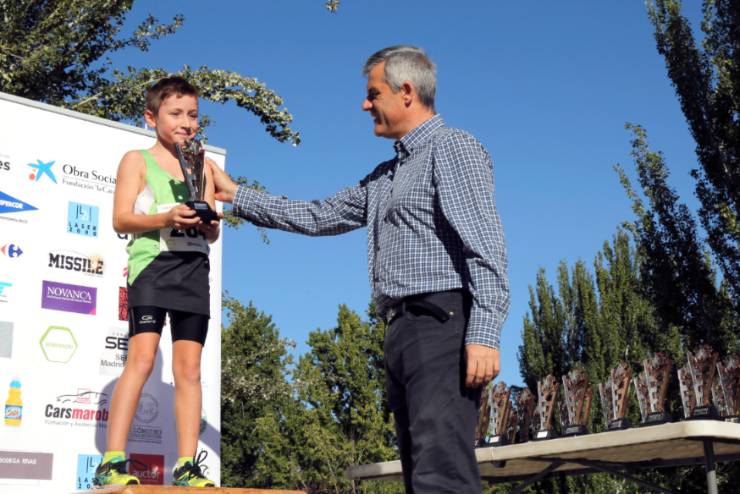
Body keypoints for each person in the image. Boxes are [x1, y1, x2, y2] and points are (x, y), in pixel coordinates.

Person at [210, 46, 509, 493]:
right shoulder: (384, 176)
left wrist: (485, 332)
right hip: (401, 330)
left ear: (406, 91)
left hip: (441, 323)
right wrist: (236, 195)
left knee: (441, 471)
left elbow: (485, 245)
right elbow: (319, 215)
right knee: (419, 471)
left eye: (373, 94)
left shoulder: (452, 148)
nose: (364, 105)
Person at [94, 76, 219, 488]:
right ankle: (112, 461)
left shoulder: (203, 165)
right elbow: (121, 219)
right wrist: (166, 217)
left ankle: (186, 465)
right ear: (152, 118)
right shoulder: (137, 160)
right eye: (176, 113)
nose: (186, 123)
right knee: (142, 360)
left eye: (193, 115)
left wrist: (208, 224)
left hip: (193, 271)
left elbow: (213, 232)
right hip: (152, 267)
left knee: (190, 370)